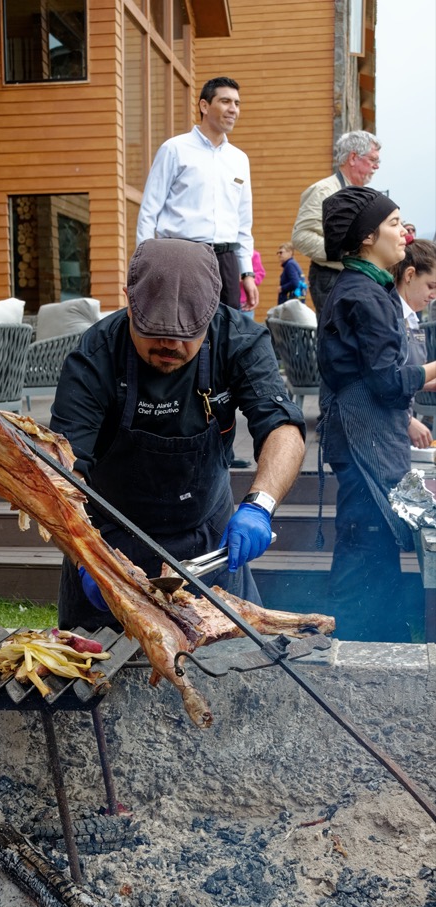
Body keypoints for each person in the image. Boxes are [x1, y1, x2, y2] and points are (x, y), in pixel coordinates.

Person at [50, 239, 306, 631]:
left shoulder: (239, 340)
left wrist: (260, 505)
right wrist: (87, 553)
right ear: (130, 301)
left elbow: (282, 428)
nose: (170, 345)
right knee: (96, 680)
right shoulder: (96, 356)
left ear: (212, 309)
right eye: (154, 331)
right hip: (110, 541)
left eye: (187, 334)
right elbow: (61, 468)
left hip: (209, 538)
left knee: (231, 668)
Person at [317, 188, 436, 642]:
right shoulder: (362, 296)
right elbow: (387, 382)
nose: (404, 233)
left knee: (372, 555)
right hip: (362, 445)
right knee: (364, 557)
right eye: (394, 224)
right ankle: (352, 655)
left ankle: (367, 645)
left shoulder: (367, 289)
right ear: (367, 237)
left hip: (367, 442)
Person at [136, 77, 258, 312]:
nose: (233, 109)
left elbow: (244, 222)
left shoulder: (239, 160)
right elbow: (149, 211)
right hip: (182, 256)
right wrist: (145, 263)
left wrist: (247, 272)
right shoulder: (174, 150)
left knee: (226, 336)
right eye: (225, 101)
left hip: (227, 260)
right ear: (204, 106)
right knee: (183, 333)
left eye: (237, 103)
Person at [292, 131, 381, 315]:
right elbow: (301, 237)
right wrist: (346, 253)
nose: (376, 166)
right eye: (373, 160)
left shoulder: (362, 194)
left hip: (354, 277)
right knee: (338, 340)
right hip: (332, 278)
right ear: (353, 158)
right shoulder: (323, 190)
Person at [390, 239, 436, 446]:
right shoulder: (388, 316)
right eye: (430, 286)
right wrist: (407, 421)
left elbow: (404, 375)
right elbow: (380, 381)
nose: (434, 296)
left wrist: (428, 384)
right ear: (409, 275)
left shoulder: (411, 318)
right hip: (384, 430)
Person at [240, 249, 266, 317]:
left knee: (246, 325)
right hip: (227, 299)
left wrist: (246, 278)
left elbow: (260, 274)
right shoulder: (228, 253)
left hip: (245, 301)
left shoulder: (253, 254)